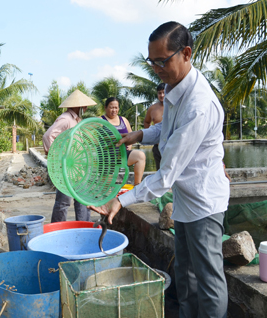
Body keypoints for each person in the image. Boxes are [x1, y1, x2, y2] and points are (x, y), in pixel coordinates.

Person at [89, 21, 229, 318]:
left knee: (209, 281)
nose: (156, 69)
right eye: (151, 62)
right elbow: (168, 129)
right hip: (185, 201)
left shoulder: (199, 105)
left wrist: (121, 200)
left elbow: (165, 177)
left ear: (186, 53)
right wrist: (140, 134)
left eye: (162, 61)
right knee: (185, 272)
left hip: (203, 202)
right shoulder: (175, 86)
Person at [43, 89, 96, 223]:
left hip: (78, 166)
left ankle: (83, 226)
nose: (85, 108)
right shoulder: (66, 119)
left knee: (82, 199)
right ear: (78, 107)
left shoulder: (76, 120)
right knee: (63, 201)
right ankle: (57, 228)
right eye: (84, 106)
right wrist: (56, 158)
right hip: (67, 167)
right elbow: (48, 136)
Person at [100, 97, 146, 185]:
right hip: (107, 158)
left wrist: (130, 145)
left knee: (140, 156)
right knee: (106, 190)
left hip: (123, 154)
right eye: (111, 107)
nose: (114, 110)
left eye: (116, 107)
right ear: (105, 107)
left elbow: (131, 135)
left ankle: (137, 185)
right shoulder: (100, 120)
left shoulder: (123, 120)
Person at [144, 83, 166, 170]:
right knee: (159, 172)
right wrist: (151, 137)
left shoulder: (175, 106)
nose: (162, 95)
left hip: (172, 145)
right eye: (159, 93)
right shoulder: (153, 108)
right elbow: (146, 122)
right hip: (158, 146)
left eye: (164, 92)